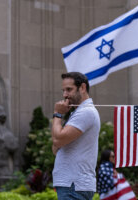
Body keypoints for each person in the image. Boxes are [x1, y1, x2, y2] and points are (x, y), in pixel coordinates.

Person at [51, 72, 101, 200]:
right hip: (72, 185)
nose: (65, 95)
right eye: (63, 90)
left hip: (74, 185)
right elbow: (56, 148)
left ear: (82, 88)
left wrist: (57, 114)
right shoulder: (79, 112)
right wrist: (59, 140)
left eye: (69, 89)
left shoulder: (86, 111)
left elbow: (57, 140)